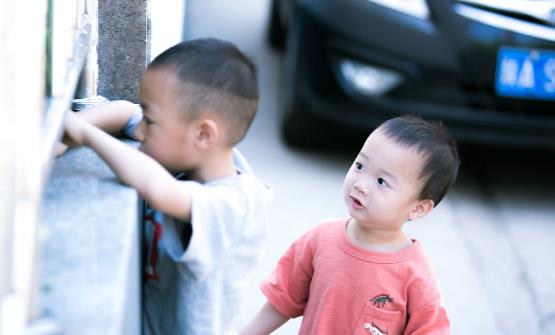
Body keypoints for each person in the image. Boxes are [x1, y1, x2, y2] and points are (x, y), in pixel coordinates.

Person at [61, 38, 272, 335]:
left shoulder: (236, 205)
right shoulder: (191, 150)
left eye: (151, 121)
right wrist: (64, 134)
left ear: (203, 134)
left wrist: (85, 135)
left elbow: (157, 190)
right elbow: (125, 112)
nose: (141, 129)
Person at [241, 116, 460, 335]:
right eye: (360, 165)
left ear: (418, 208)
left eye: (382, 182)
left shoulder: (415, 274)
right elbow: (283, 299)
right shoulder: (320, 238)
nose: (361, 184)